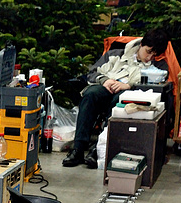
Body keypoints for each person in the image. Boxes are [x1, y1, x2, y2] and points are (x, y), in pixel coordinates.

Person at [63, 28, 170, 168]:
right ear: (141, 45)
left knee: (120, 101)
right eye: (148, 52)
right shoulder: (115, 54)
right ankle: (78, 148)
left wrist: (129, 85)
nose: (150, 57)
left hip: (129, 91)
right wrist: (105, 80)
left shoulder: (159, 66)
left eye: (154, 54)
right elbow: (92, 72)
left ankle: (99, 149)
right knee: (90, 95)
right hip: (106, 84)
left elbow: (157, 84)